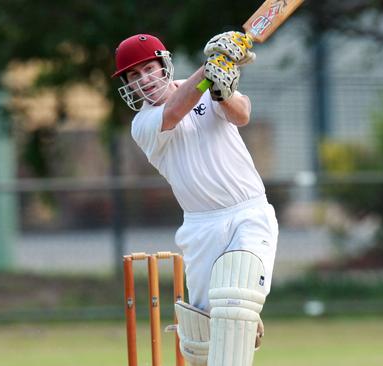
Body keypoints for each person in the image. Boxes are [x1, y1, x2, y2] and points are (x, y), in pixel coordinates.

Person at [112, 33, 278, 366]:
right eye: (134, 75)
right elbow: (174, 112)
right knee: (200, 342)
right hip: (201, 228)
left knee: (234, 299)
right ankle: (237, 321)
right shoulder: (142, 124)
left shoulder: (204, 85)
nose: (144, 79)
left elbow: (242, 114)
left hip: (248, 211)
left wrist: (224, 91)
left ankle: (239, 316)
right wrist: (209, 69)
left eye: (148, 69)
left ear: (163, 66)